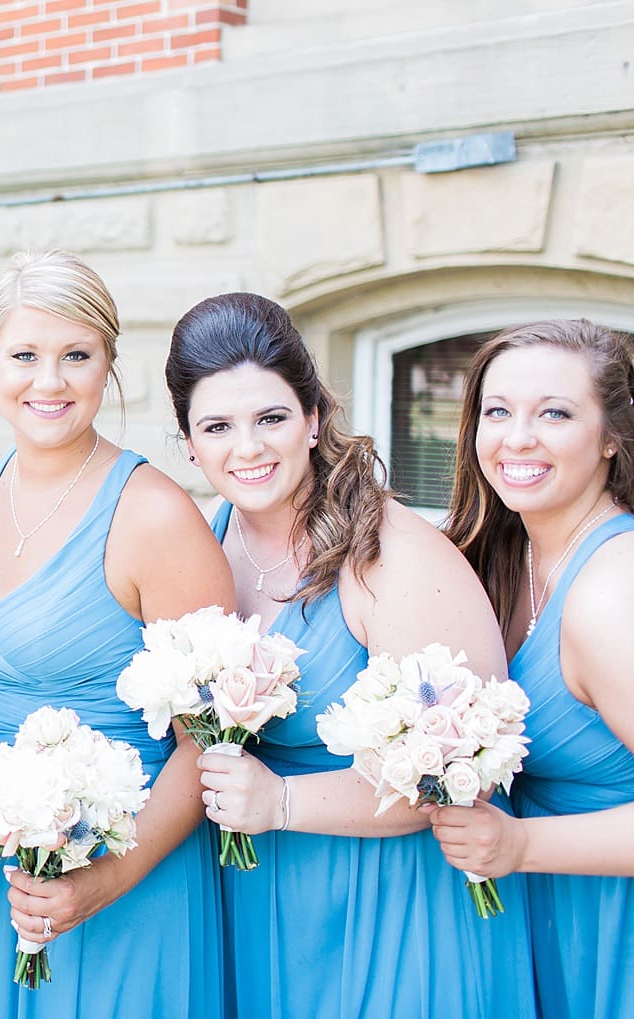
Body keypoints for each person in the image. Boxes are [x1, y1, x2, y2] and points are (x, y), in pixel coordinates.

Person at [165, 292, 534, 1016]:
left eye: (270, 417)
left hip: (393, 905)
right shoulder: (203, 542)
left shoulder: (392, 556)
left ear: (310, 419)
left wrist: (281, 799)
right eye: (216, 425)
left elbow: (459, 776)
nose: (247, 447)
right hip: (262, 902)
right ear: (186, 440)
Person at [0, 251, 234, 1018]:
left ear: (108, 365)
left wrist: (100, 883)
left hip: (117, 878)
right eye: (24, 355)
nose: (48, 381)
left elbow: (214, 738)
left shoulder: (154, 515)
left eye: (75, 356)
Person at [438, 319, 634, 1018]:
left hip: (613, 939)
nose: (516, 437)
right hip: (544, 922)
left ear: (610, 435)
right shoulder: (501, 559)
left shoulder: (612, 590)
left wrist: (520, 841)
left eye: (553, 412)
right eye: (498, 412)